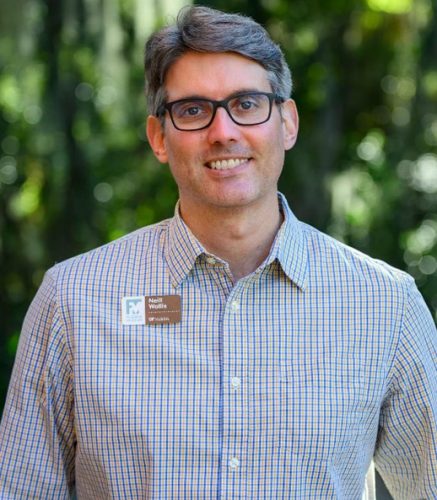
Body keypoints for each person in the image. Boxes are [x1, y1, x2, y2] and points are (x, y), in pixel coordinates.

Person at [0, 5, 436, 499]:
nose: (223, 131)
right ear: (158, 138)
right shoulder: (72, 300)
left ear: (287, 123)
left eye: (247, 103)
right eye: (192, 110)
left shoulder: (386, 305)